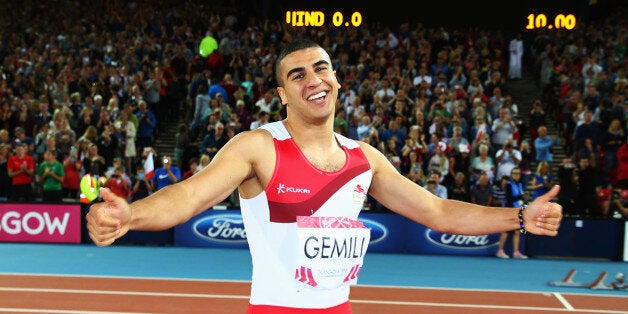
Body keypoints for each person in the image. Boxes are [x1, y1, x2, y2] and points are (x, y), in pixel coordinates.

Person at [87, 38, 562, 313]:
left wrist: (519, 216)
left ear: (336, 79)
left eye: (322, 69)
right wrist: (131, 214)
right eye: (298, 75)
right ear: (282, 94)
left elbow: (437, 211)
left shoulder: (364, 159)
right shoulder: (258, 148)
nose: (314, 79)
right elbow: (188, 197)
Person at [496, 167, 528, 259]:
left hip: (518, 210)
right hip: (509, 211)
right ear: (511, 174)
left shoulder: (520, 184)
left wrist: (523, 200)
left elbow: (521, 198)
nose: (516, 175)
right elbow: (509, 199)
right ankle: (500, 251)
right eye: (514, 173)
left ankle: (516, 252)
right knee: (506, 231)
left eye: (518, 173)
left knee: (517, 232)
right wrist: (520, 196)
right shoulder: (509, 185)